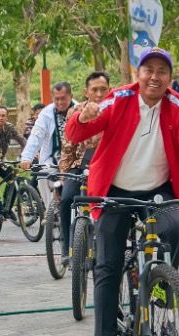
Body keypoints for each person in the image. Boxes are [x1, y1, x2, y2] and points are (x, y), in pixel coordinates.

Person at [65, 47, 179, 336]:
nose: (155, 76)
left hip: (159, 191)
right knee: (107, 262)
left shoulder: (177, 106)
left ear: (169, 77)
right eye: (148, 69)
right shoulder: (118, 99)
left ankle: (160, 282)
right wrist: (82, 116)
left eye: (162, 71)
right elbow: (75, 133)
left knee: (177, 230)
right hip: (115, 190)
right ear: (138, 74)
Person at [58, 71, 110, 265]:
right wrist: (64, 172)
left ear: (109, 90)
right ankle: (66, 246)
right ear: (86, 92)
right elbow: (68, 143)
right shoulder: (76, 111)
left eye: (103, 89)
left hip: (106, 167)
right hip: (79, 165)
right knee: (66, 200)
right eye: (94, 90)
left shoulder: (115, 109)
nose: (99, 94)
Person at [19, 82, 75, 209]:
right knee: (43, 174)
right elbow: (36, 135)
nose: (60, 102)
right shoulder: (46, 113)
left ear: (71, 96)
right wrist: (27, 157)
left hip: (75, 160)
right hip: (52, 159)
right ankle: (51, 210)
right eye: (57, 99)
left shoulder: (80, 109)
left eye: (63, 98)